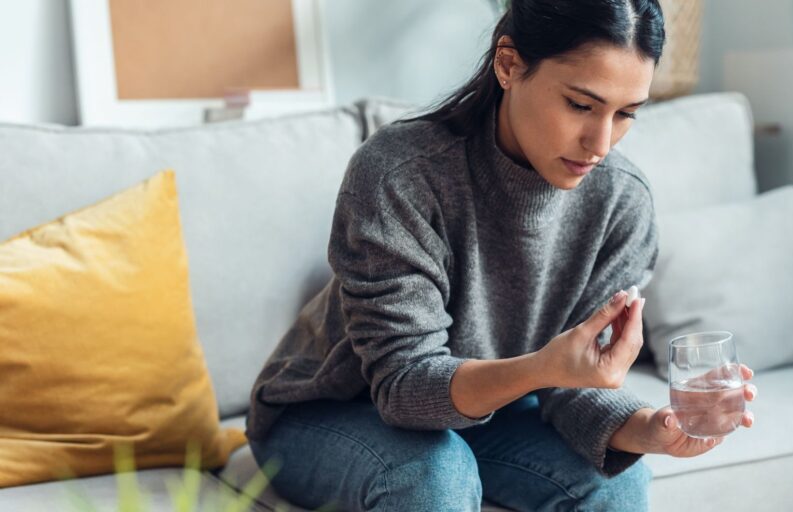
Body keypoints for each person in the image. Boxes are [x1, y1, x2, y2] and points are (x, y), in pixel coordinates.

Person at [245, 0, 756, 510]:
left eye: (625, 114)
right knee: (433, 474)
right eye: (581, 105)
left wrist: (650, 429)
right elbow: (402, 386)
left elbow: (574, 382)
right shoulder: (400, 174)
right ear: (509, 64)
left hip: (490, 413)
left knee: (618, 482)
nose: (601, 142)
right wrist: (539, 369)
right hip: (330, 411)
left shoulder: (621, 202)